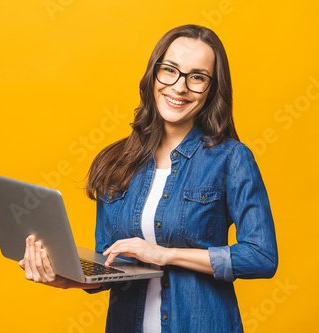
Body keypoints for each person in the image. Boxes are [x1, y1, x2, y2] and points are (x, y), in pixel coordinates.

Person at [19, 24, 278, 333]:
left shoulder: (231, 158)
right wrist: (66, 278)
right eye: (170, 70)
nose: (179, 87)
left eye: (197, 77)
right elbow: (111, 264)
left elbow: (261, 256)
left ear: (211, 89)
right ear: (153, 75)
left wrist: (165, 254)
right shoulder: (115, 161)